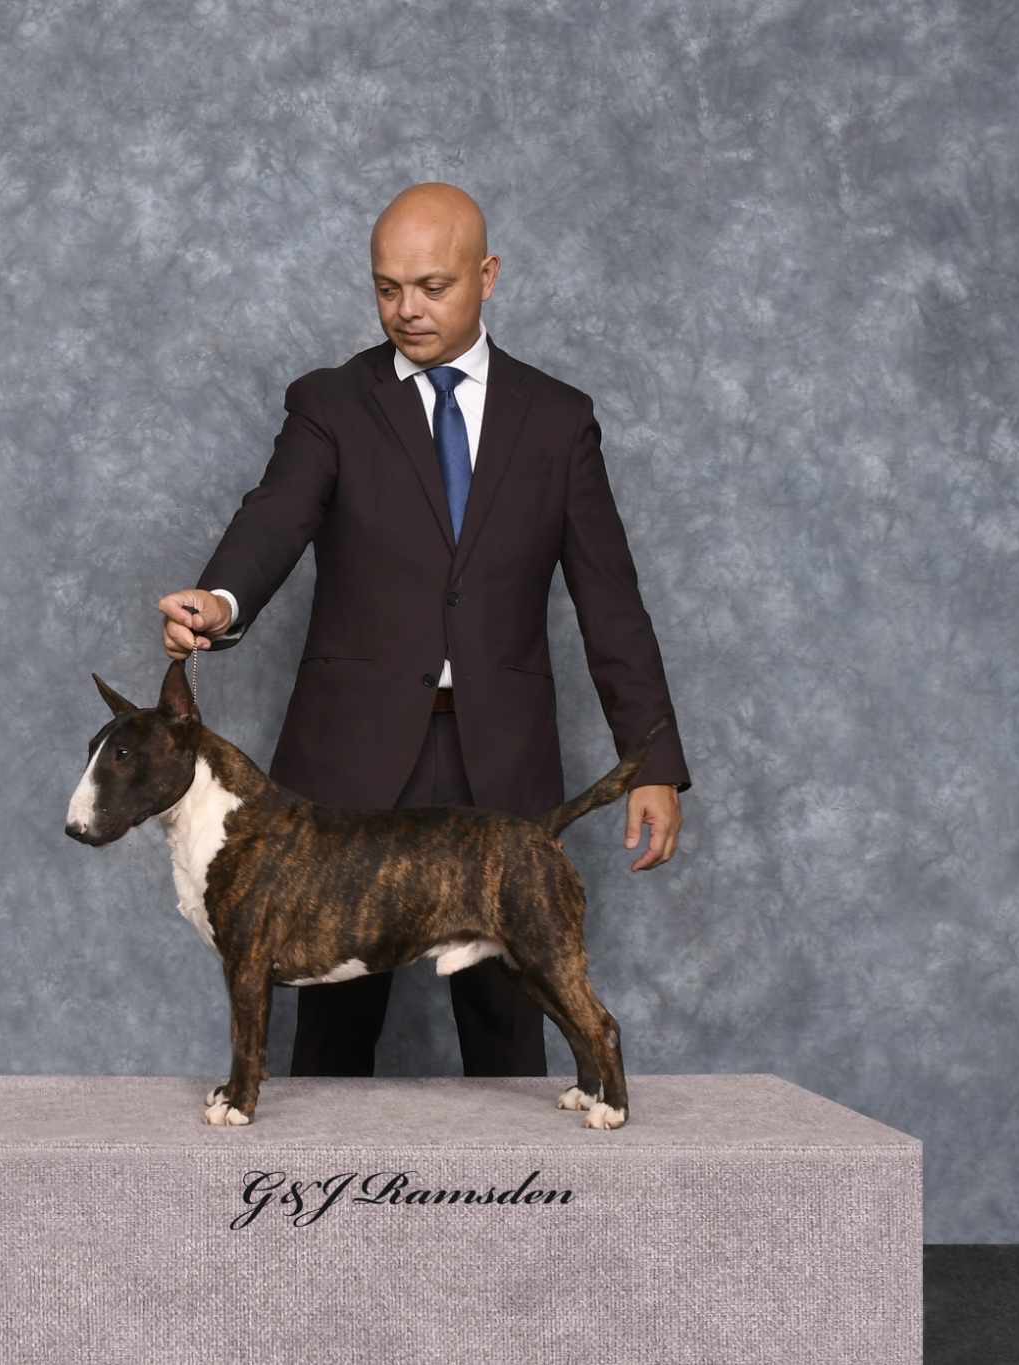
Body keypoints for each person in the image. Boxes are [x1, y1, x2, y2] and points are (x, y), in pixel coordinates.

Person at [157, 183, 688, 1081]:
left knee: (512, 1038)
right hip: (348, 770)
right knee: (328, 1048)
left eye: (433, 286)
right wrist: (220, 598)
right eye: (387, 287)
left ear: (489, 276)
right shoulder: (330, 403)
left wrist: (655, 762)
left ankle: (519, 1180)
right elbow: (274, 516)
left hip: (501, 769)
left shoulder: (559, 421)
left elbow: (612, 603)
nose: (407, 309)